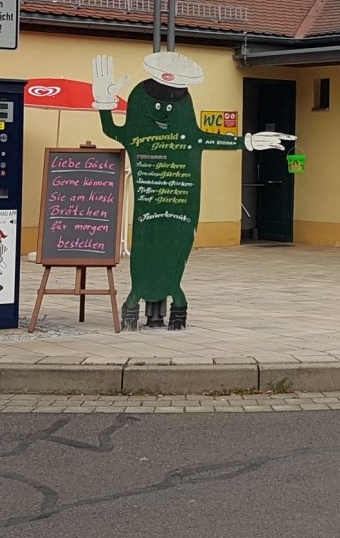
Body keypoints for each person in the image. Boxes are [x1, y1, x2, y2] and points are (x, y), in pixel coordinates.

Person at [91, 51, 292, 330]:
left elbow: (218, 140)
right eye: (157, 106)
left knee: (175, 252)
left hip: (181, 210)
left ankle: (175, 298)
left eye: (171, 108)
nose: (162, 113)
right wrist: (103, 101)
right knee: (144, 249)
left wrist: (249, 141)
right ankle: (138, 297)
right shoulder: (136, 134)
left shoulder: (189, 136)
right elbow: (111, 129)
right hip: (149, 209)